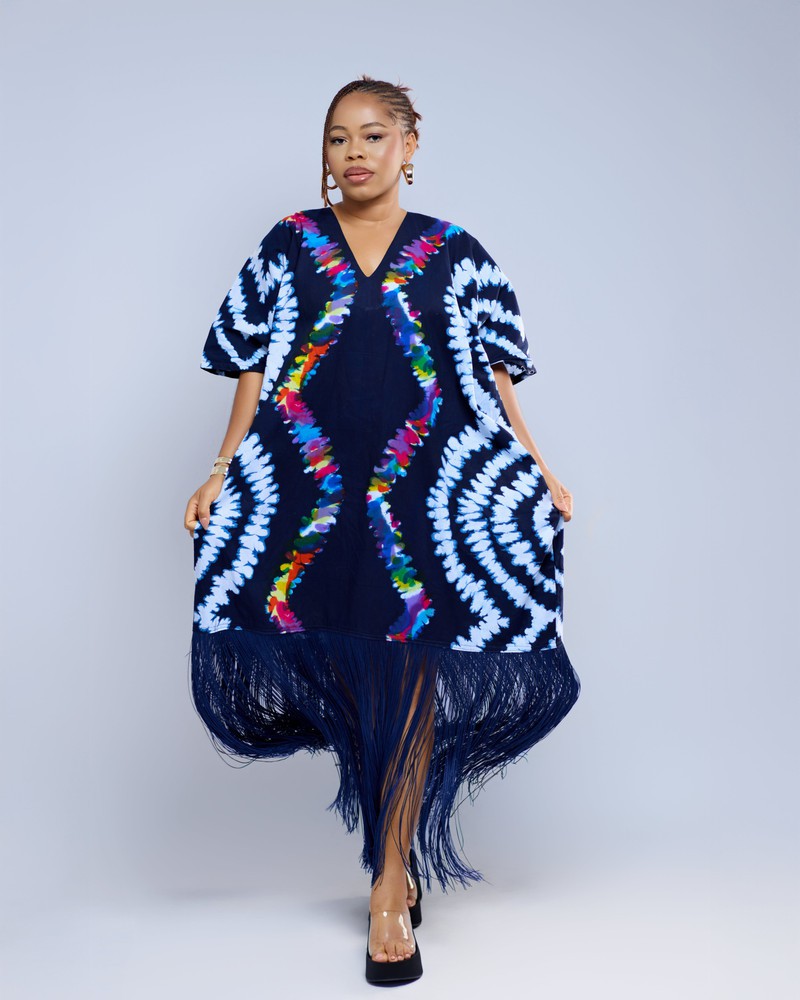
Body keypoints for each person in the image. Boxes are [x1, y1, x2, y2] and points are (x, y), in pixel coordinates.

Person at [184, 74, 581, 986]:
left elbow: (494, 376)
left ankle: (390, 880)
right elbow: (252, 364)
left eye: (371, 135)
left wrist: (539, 465)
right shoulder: (290, 243)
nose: (353, 153)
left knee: (403, 682)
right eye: (337, 138)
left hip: (422, 498)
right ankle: (392, 858)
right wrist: (221, 468)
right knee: (362, 683)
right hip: (312, 495)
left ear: (410, 144)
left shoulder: (455, 253)